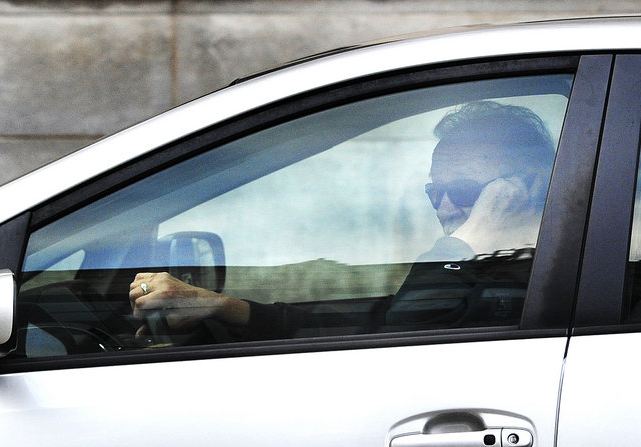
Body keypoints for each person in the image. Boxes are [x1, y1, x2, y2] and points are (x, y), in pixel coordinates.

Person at [129, 100, 556, 342]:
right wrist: (221, 307)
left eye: (463, 192)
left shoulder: (549, 279)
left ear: (527, 190)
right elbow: (370, 321)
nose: (444, 209)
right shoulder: (487, 267)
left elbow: (405, 334)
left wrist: (468, 239)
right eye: (434, 192)